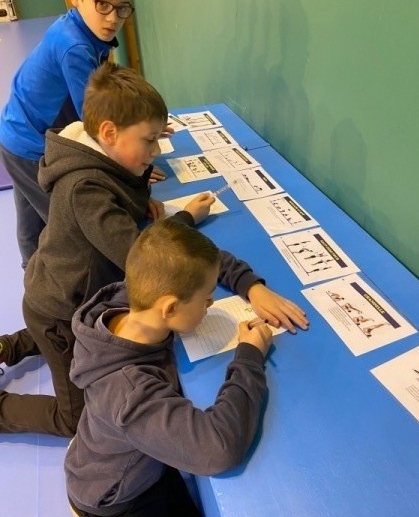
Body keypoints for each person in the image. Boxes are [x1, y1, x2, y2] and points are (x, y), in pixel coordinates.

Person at [0, 62, 309, 437]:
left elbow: (128, 206)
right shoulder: (85, 189)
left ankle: (8, 346)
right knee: (74, 420)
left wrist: (150, 202)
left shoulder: (103, 159)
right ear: (109, 133)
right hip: (60, 308)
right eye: (149, 141)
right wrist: (246, 282)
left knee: (58, 334)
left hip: (75, 293)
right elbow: (159, 259)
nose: (157, 150)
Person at [66, 218, 274, 517]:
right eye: (206, 299)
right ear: (171, 307)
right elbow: (218, 449)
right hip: (118, 500)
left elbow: (194, 261)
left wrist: (250, 285)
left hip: (133, 457)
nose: (210, 305)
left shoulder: (131, 297)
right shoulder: (130, 393)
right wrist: (249, 356)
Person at [0, 0, 160, 268]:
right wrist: (135, 168)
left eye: (122, 7)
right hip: (29, 143)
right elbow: (94, 123)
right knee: (68, 224)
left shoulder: (81, 28)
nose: (113, 18)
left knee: (30, 218)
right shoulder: (74, 46)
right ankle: (52, 283)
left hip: (15, 132)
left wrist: (138, 128)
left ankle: (32, 272)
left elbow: (102, 94)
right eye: (103, 4)